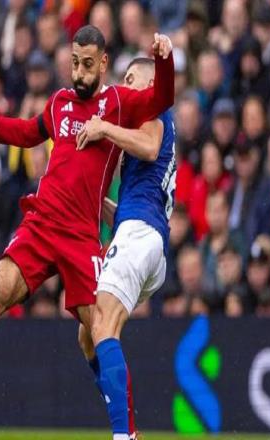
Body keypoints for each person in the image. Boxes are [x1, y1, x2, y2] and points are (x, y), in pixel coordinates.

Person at [0, 26, 174, 429]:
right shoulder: (59, 103)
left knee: (98, 333)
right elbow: (26, 133)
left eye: (87, 64)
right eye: (75, 63)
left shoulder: (117, 102)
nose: (79, 72)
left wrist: (165, 59)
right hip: (42, 222)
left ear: (103, 64)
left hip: (82, 237)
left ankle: (126, 430)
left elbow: (162, 98)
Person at [75, 57, 175, 440]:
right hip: (145, 237)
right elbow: (142, 196)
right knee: (88, 334)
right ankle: (128, 429)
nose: (124, 85)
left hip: (139, 233)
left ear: (150, 84)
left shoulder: (153, 107)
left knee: (103, 325)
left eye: (131, 78)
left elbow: (149, 148)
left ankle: (123, 435)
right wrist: (95, 201)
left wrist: (104, 127)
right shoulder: (152, 119)